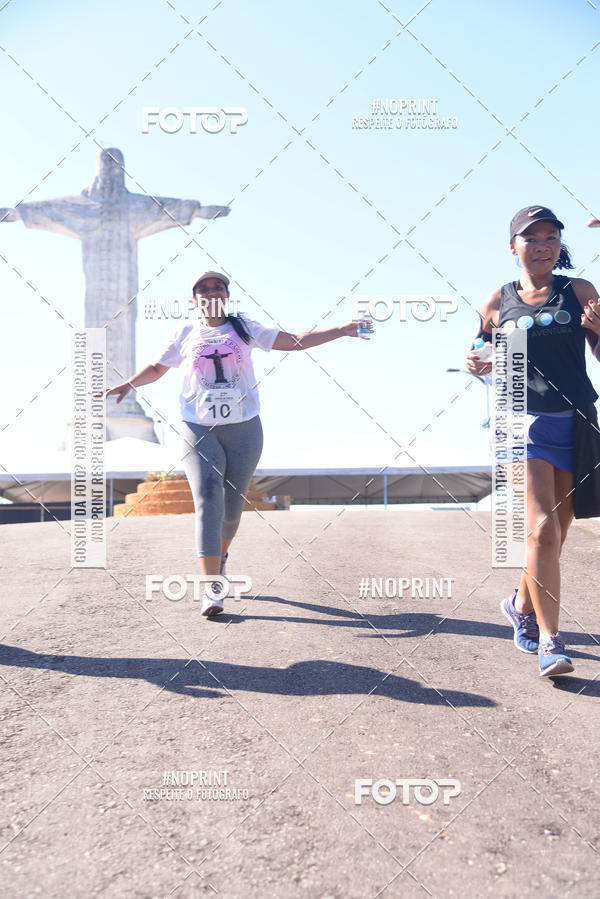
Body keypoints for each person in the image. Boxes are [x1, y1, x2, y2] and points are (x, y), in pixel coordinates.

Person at [105, 270, 372, 617]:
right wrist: (130, 384)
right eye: (203, 288)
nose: (211, 291)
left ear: (227, 295)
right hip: (198, 427)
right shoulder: (185, 332)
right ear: (194, 298)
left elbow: (294, 340)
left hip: (244, 428)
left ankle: (221, 556)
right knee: (208, 499)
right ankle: (212, 586)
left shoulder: (244, 327)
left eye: (218, 287)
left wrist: (344, 329)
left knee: (232, 510)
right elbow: (159, 366)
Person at [466, 206, 600, 677]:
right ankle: (550, 640)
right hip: (519, 422)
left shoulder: (580, 292)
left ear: (559, 245)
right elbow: (478, 352)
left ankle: (521, 604)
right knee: (541, 528)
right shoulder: (497, 302)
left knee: (558, 531)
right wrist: (476, 362)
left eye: (550, 237)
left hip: (576, 420)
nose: (542, 245)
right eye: (531, 238)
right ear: (513, 247)